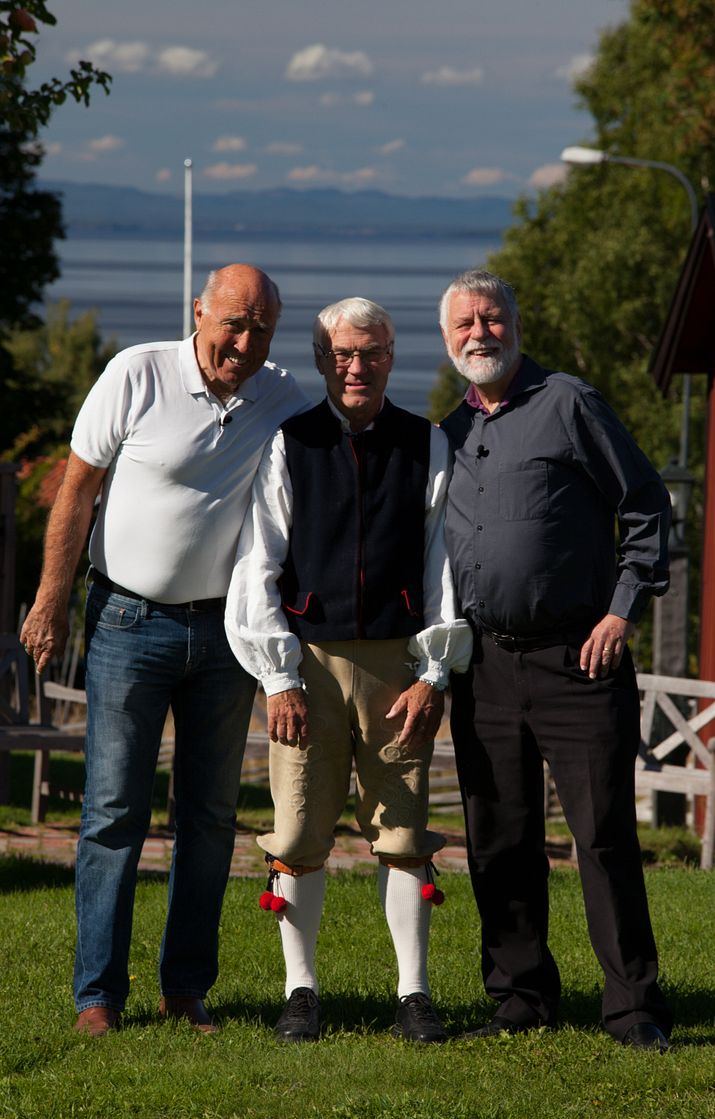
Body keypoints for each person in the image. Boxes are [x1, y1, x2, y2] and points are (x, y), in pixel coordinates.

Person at [20, 264, 308, 1037]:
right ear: (200, 312)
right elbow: (77, 488)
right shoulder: (136, 372)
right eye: (233, 324)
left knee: (210, 818)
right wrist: (50, 599)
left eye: (261, 331)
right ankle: (96, 996)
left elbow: (346, 442)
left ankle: (185, 988)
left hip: (224, 635)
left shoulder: (282, 395)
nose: (243, 343)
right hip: (126, 622)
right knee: (114, 812)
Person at [438, 269, 674, 1051]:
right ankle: (520, 995)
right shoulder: (448, 435)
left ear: (515, 322)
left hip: (580, 655)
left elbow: (645, 504)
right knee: (498, 837)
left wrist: (621, 608)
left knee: (602, 834)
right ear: (449, 340)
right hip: (486, 668)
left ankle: (633, 1005)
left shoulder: (569, 402)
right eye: (465, 323)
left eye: (492, 317)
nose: (481, 332)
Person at [225, 297, 472, 1043]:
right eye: (341, 354)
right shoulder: (289, 442)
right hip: (308, 666)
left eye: (371, 353)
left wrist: (434, 672)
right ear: (321, 359)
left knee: (402, 833)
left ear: (392, 356)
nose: (356, 366)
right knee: (299, 832)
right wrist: (278, 677)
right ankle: (301, 992)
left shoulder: (424, 442)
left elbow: (442, 566)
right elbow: (258, 563)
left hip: (399, 665)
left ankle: (413, 994)